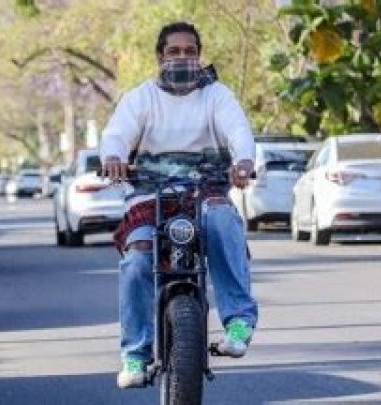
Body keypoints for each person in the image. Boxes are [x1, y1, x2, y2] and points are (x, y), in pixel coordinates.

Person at [100, 21, 258, 389]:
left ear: (199, 56)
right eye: (174, 51)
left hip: (205, 191)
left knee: (223, 220)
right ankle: (136, 354)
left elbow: (238, 130)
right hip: (149, 196)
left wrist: (243, 161)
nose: (183, 57)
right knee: (138, 256)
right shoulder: (140, 98)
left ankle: (239, 322)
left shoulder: (216, 95)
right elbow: (116, 134)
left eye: (190, 51)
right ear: (160, 56)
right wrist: (113, 157)